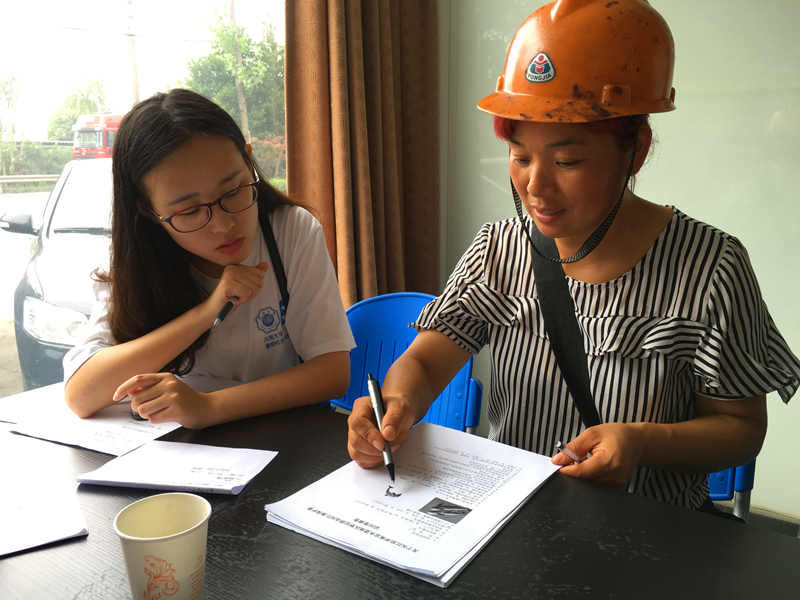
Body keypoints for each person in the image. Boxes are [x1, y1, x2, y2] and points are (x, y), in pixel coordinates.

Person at [347, 0, 800, 510]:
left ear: (636, 150)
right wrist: (397, 404)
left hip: (645, 532)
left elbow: (740, 426)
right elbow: (426, 362)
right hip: (510, 522)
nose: (535, 186)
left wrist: (642, 443)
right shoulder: (498, 249)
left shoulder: (711, 267)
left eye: (567, 160)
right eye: (520, 157)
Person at [63, 89, 355, 429]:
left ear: (248, 161)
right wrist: (206, 313)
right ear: (149, 212)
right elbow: (81, 395)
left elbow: (332, 372)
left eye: (233, 191)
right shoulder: (136, 262)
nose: (223, 224)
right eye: (189, 211)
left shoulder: (289, 231)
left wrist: (208, 407)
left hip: (279, 434)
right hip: (177, 447)